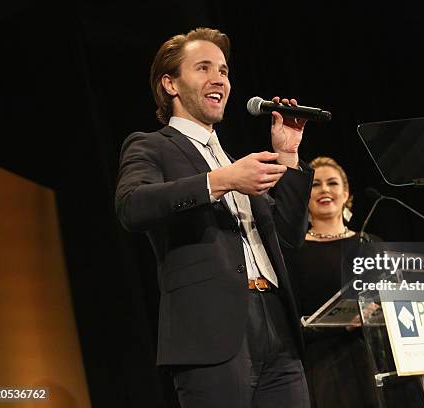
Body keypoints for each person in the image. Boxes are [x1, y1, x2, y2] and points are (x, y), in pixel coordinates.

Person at [115, 27, 313, 408]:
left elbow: (289, 237)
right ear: (170, 84)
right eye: (203, 68)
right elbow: (132, 206)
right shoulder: (152, 146)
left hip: (277, 325)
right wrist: (219, 181)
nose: (218, 78)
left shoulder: (233, 160)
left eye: (223, 71)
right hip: (211, 333)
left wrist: (287, 155)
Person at [285, 156, 380, 408]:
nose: (325, 189)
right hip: (324, 365)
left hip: (376, 358)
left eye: (332, 183)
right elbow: (290, 317)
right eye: (315, 185)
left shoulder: (370, 243)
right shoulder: (294, 250)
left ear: (346, 192)